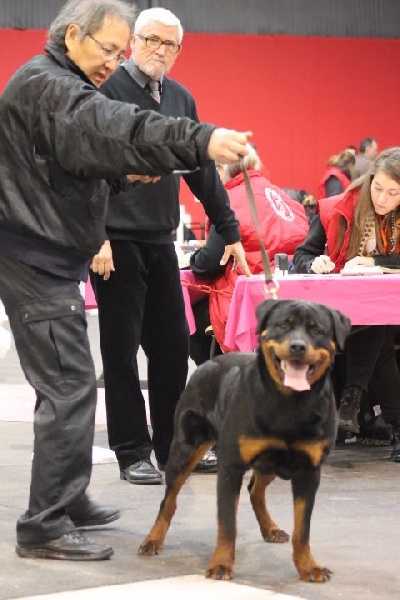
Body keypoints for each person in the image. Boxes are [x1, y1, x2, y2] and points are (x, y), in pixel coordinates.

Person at [0, 0, 252, 561]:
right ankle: (44, 524)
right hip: (35, 256)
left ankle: (67, 497)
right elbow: (112, 124)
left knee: (67, 384)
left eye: (119, 53)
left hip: (51, 252)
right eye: (110, 49)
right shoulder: (49, 86)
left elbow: (67, 169)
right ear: (72, 36)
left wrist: (120, 175)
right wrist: (202, 138)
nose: (115, 62)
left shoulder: (57, 83)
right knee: (70, 386)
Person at [90, 7, 250, 486]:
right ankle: (132, 450)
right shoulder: (105, 92)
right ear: (133, 42)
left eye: (170, 44)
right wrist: (94, 234)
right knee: (120, 350)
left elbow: (202, 169)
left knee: (171, 347)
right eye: (152, 41)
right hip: (113, 242)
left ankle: (173, 446)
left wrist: (231, 230)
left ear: (179, 51)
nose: (160, 51)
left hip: (160, 241)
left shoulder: (180, 98)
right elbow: (88, 169)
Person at [292, 146, 400, 462]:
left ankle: (351, 403)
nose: (382, 198)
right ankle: (368, 410)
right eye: (377, 188)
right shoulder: (337, 208)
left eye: (393, 193)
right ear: (369, 181)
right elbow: (302, 255)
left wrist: (373, 261)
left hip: (388, 313)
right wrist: (315, 263)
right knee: (374, 329)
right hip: (344, 314)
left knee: (375, 321)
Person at [189, 143, 310, 364]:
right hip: (292, 294)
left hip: (250, 298)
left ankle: (218, 383)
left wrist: (193, 258)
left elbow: (210, 263)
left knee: (187, 317)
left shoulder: (228, 202)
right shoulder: (279, 194)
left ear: (222, 169)